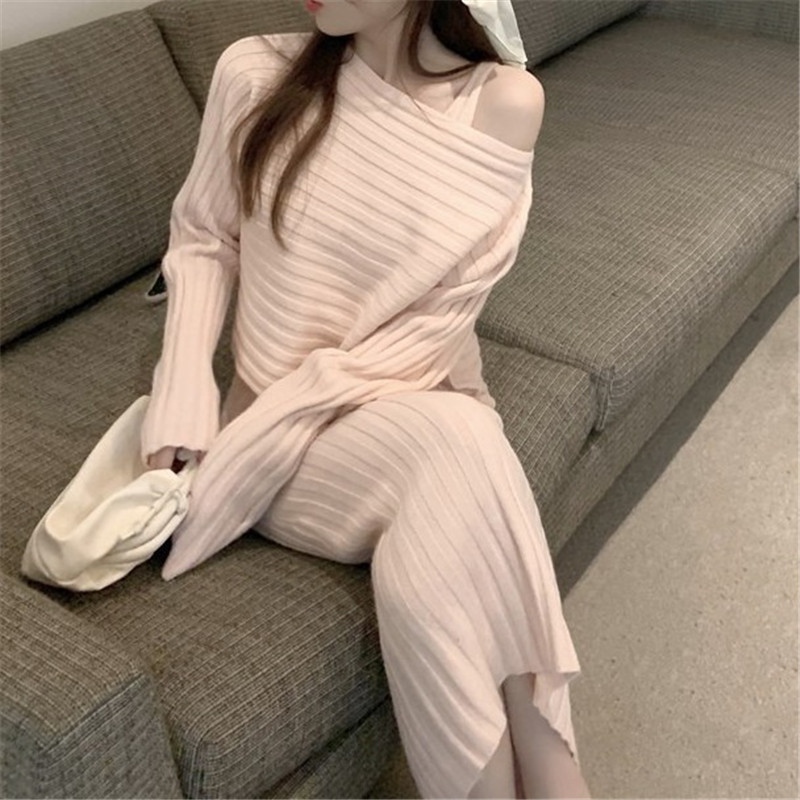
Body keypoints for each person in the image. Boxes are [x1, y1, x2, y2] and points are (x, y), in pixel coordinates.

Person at [141, 1, 591, 797]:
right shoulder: (255, 72)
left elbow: (442, 318)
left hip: (413, 394)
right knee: (462, 443)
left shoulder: (504, 103)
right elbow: (204, 237)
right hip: (284, 437)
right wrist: (181, 392)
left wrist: (336, 389)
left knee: (455, 458)